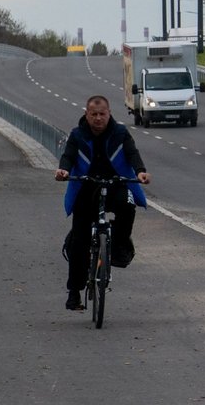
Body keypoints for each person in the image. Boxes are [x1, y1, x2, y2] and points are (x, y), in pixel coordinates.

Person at [54, 95, 151, 311]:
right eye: (93, 114)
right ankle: (74, 293)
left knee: (128, 207)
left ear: (109, 113)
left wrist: (141, 172)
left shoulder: (120, 133)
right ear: (86, 114)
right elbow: (68, 156)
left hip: (116, 183)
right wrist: (64, 170)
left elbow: (132, 154)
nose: (98, 118)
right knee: (79, 240)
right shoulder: (77, 135)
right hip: (87, 186)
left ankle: (117, 248)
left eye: (102, 114)